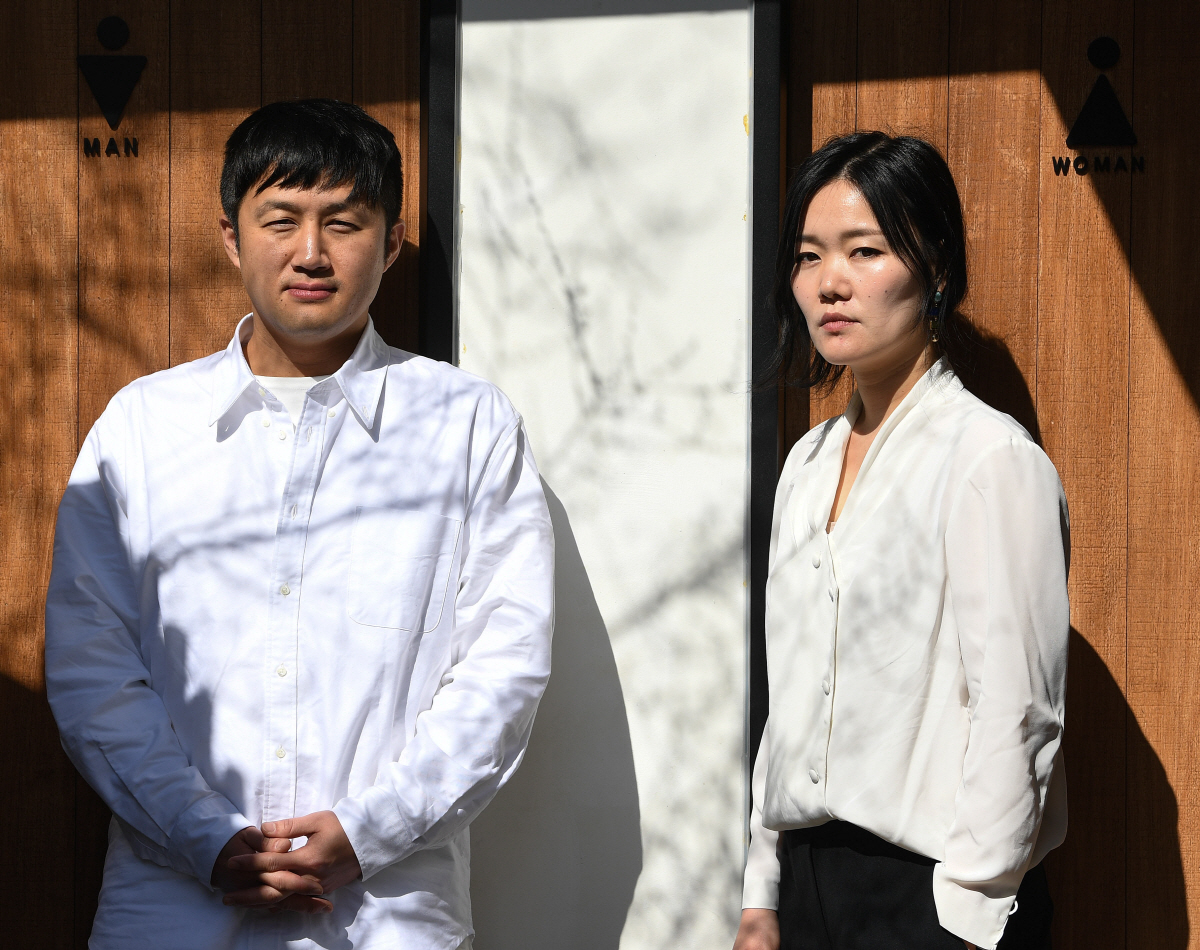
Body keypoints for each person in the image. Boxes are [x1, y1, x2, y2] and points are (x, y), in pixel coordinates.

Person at [45, 99, 554, 950]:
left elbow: (505, 664)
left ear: (391, 242)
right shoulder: (143, 427)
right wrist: (202, 834)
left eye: (343, 224)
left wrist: (370, 831)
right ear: (232, 237)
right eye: (281, 220)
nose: (311, 252)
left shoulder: (466, 425)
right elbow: (89, 659)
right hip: (169, 910)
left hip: (388, 916)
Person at [733, 132, 1069, 950]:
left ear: (936, 268)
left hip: (935, 896)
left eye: (865, 250)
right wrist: (762, 892)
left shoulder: (990, 459)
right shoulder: (806, 464)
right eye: (809, 256)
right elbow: (793, 696)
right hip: (809, 888)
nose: (829, 282)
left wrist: (970, 913)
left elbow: (1018, 710)